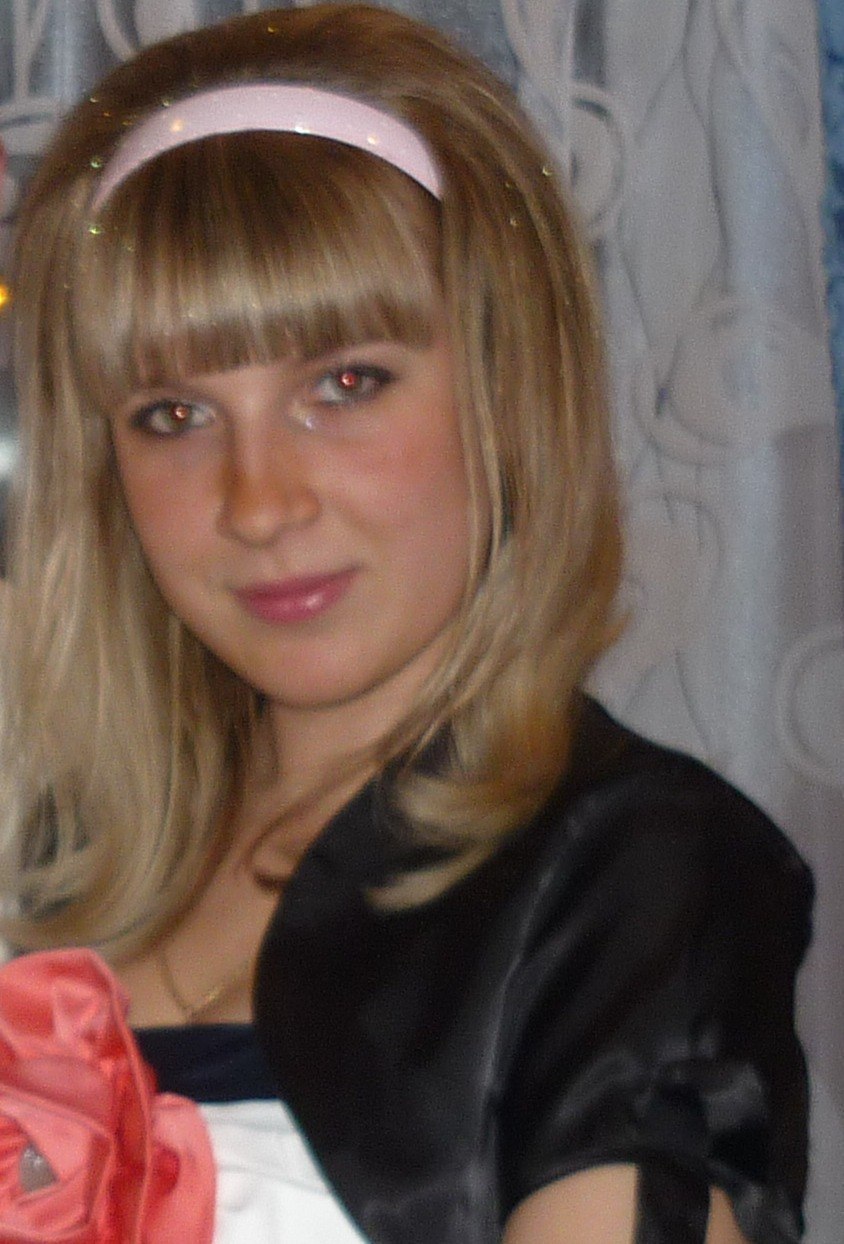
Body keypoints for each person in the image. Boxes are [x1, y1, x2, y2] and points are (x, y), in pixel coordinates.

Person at [0, 5, 812, 1242]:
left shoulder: (632, 873)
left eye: (344, 383)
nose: (258, 502)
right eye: (173, 414)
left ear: (505, 387)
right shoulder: (49, 848)